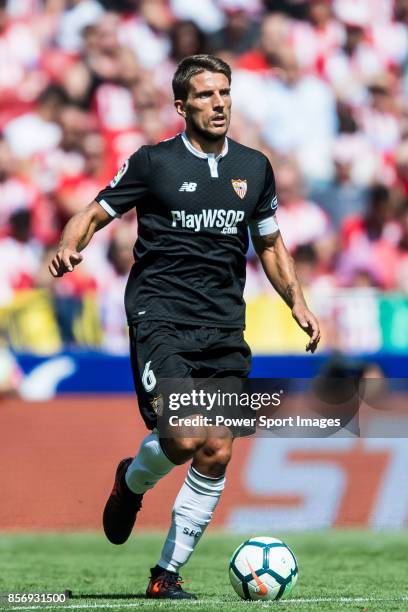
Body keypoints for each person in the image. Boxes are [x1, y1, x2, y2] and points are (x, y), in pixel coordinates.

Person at [49, 54, 320, 600]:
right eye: (204, 95)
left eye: (224, 93)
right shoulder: (154, 163)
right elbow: (94, 212)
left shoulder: (255, 167)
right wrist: (67, 245)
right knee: (186, 435)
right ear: (181, 106)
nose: (218, 103)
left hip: (223, 325)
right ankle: (132, 481)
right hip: (161, 317)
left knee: (217, 449)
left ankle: (165, 575)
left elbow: (269, 242)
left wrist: (298, 301)